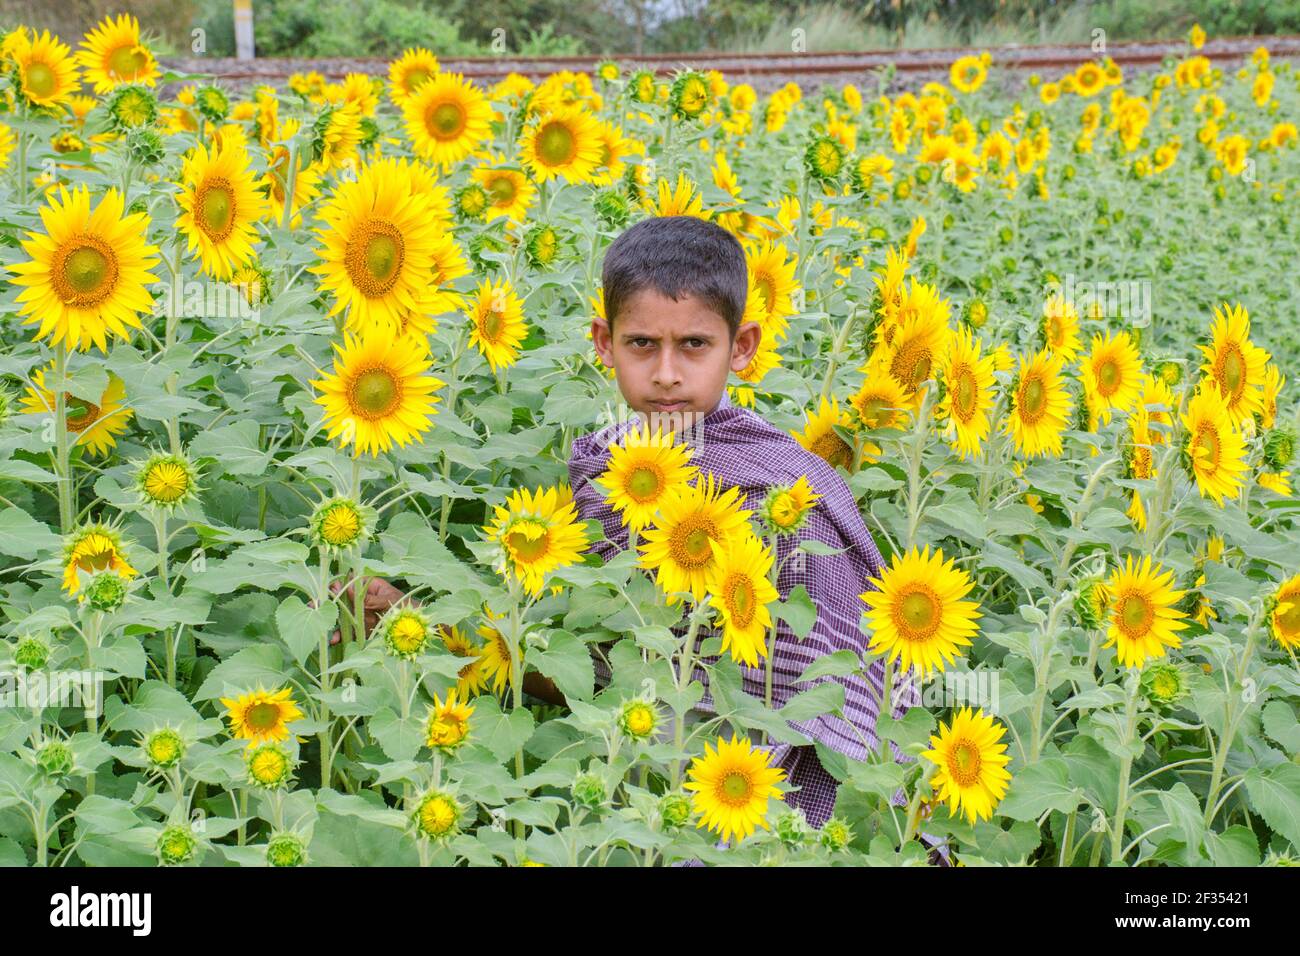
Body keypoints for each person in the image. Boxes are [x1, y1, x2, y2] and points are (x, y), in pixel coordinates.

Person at [329, 215, 949, 862]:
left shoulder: (783, 494)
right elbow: (603, 667)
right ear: (604, 343)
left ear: (742, 347)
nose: (667, 374)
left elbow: (822, 698)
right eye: (643, 344)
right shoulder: (609, 470)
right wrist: (417, 623)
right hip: (632, 789)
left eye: (695, 346)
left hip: (767, 816)